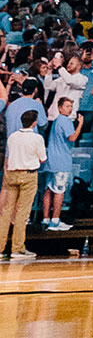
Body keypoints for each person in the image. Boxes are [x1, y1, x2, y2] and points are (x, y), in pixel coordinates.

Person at [0, 108, 46, 260]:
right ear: (34, 123)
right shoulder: (37, 138)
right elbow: (42, 158)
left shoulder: (13, 136)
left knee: (6, 212)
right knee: (22, 213)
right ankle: (17, 249)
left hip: (11, 174)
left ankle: (0, 249)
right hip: (28, 175)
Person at [40, 97, 82, 231]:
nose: (70, 109)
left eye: (71, 106)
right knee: (59, 191)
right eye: (67, 106)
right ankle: (55, 221)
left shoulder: (56, 121)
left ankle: (46, 218)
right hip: (61, 161)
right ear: (60, 108)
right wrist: (80, 124)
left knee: (49, 189)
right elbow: (72, 137)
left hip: (51, 160)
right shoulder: (66, 121)